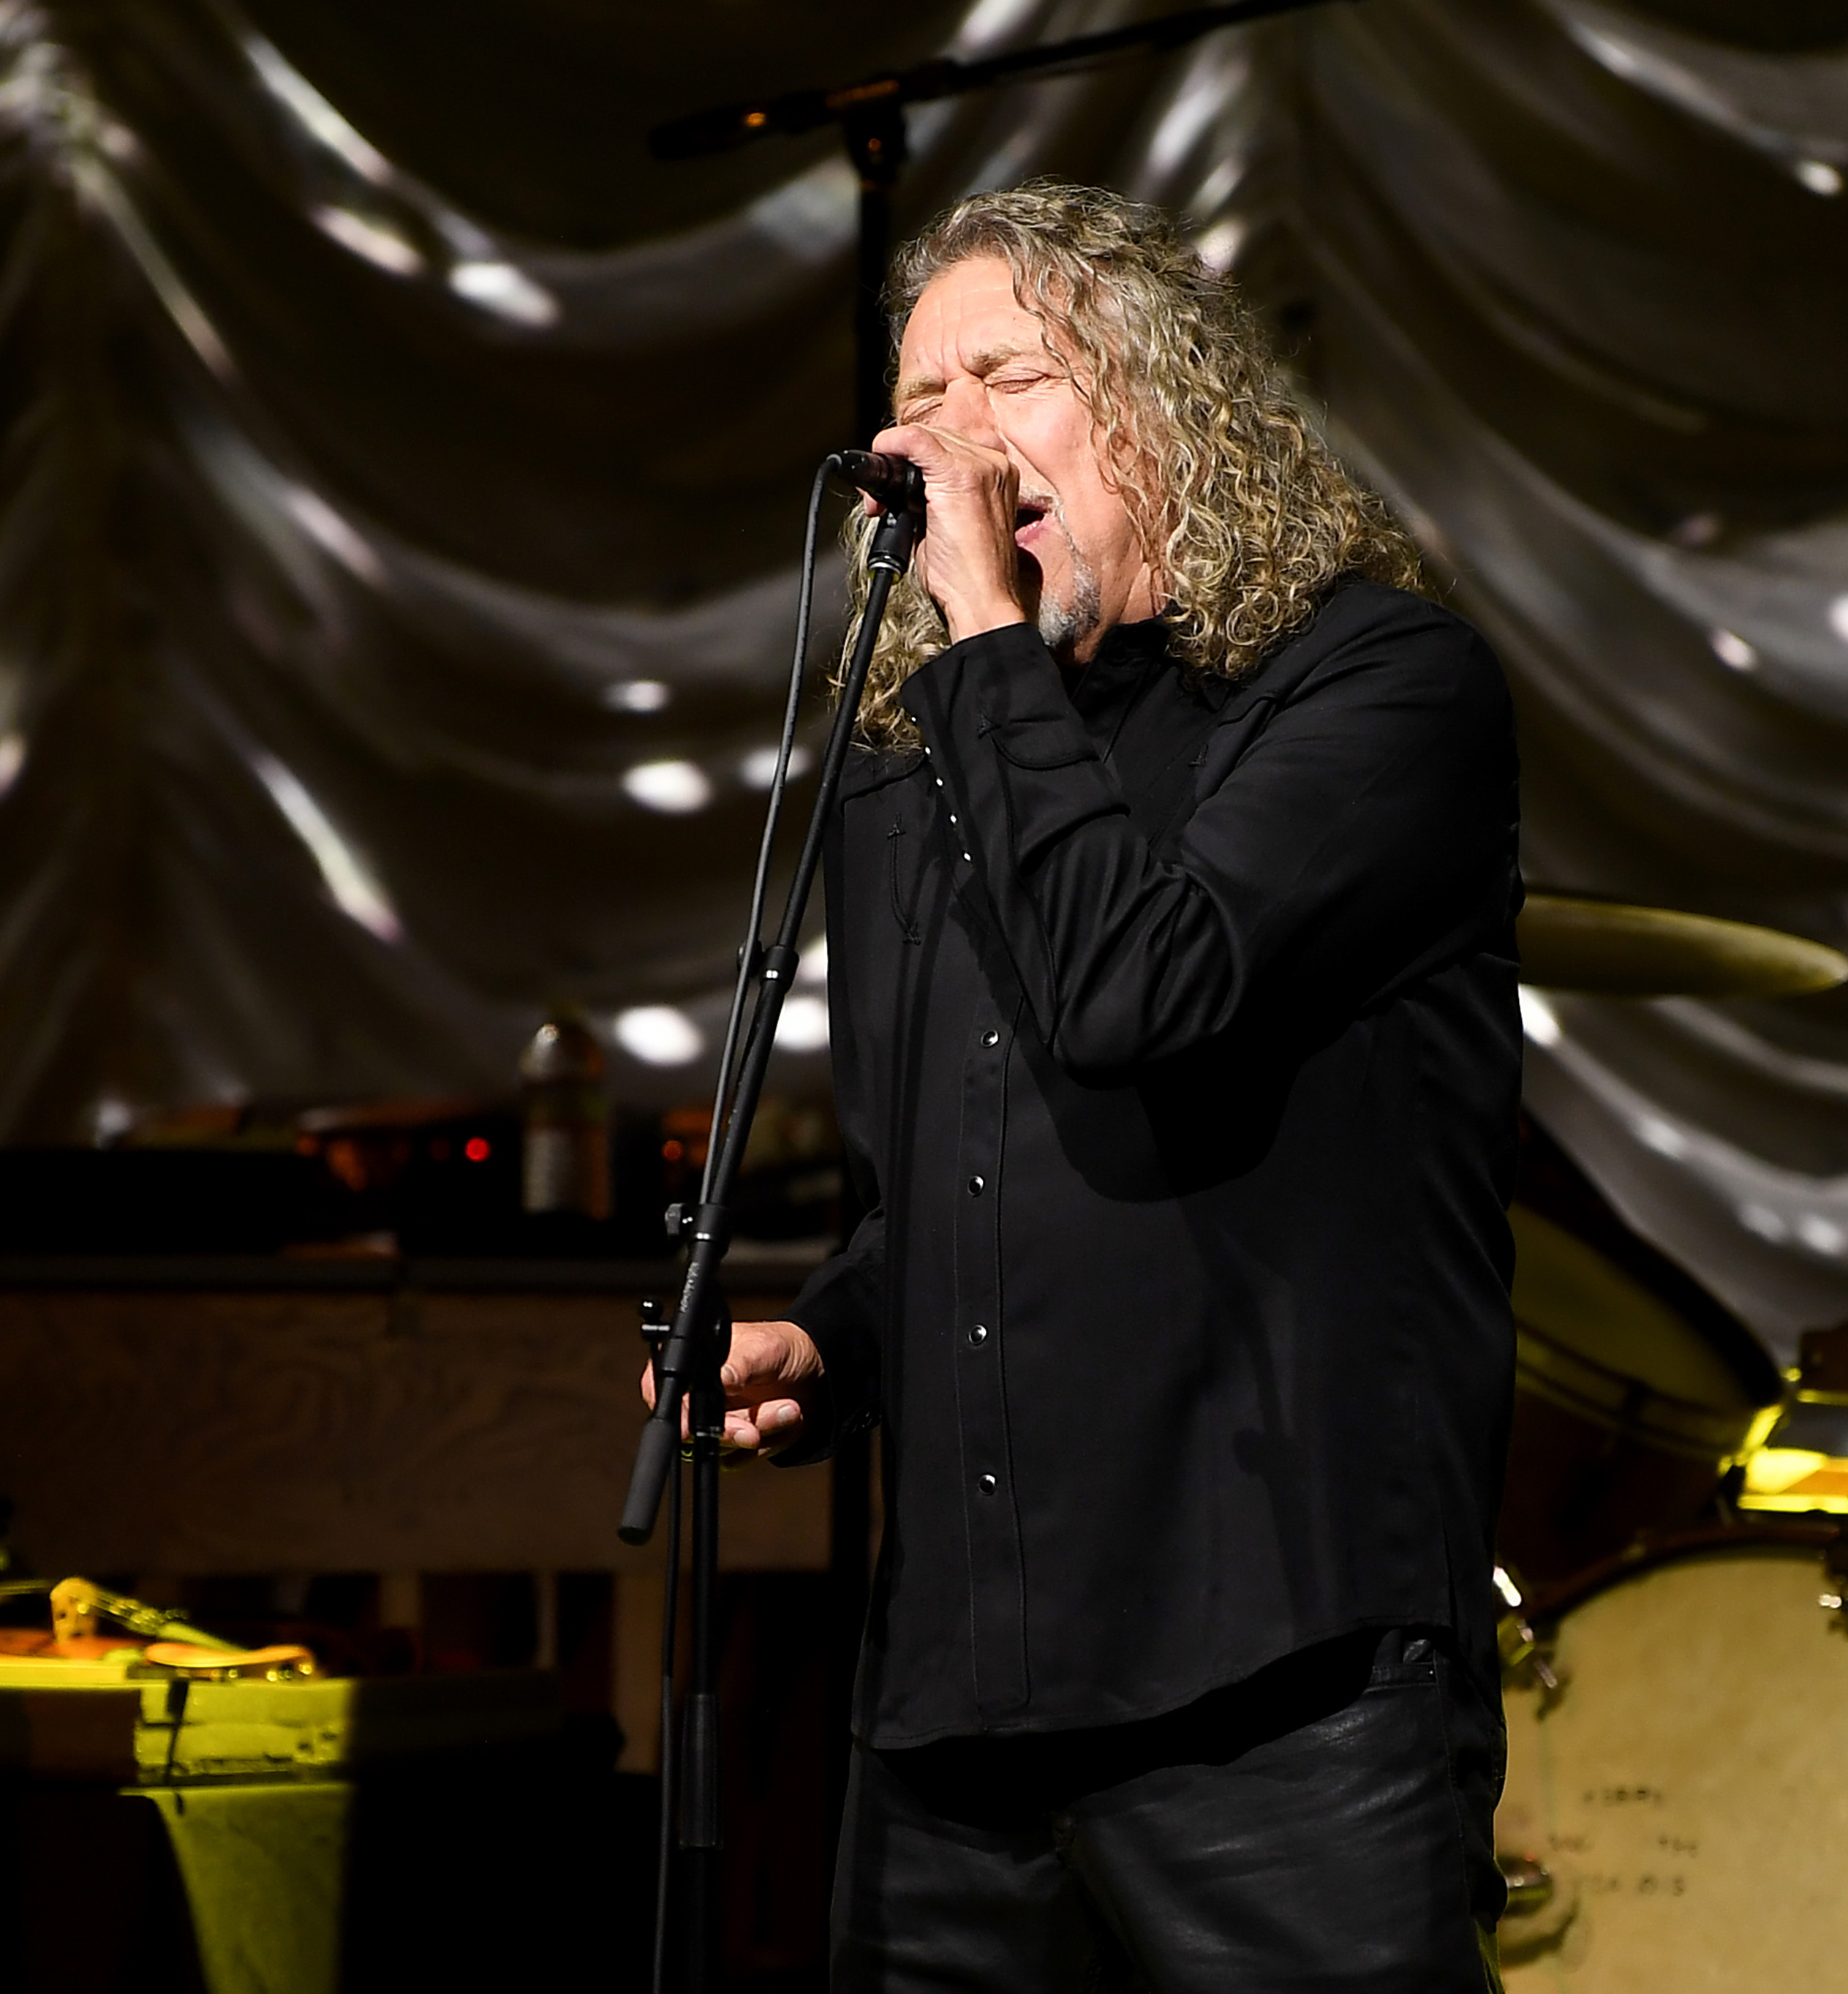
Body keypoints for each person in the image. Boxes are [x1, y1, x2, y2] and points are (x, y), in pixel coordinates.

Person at [650, 181, 1524, 1989]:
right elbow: (950, 1180)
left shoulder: (1375, 688)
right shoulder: (912, 770)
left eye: (1011, 378)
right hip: (958, 1716)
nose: (950, 437)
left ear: (1163, 407)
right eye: (922, 396)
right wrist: (834, 1338)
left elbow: (1142, 994)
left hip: (1276, 1692)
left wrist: (983, 644)